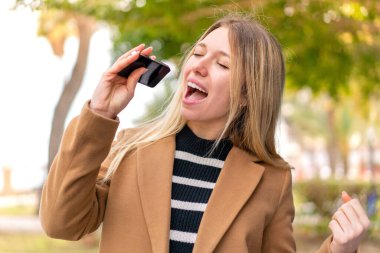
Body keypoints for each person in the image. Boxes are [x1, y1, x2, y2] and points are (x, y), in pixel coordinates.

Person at [40, 14, 370, 252]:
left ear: (247, 94)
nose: (197, 66)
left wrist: (340, 250)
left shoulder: (271, 179)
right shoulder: (130, 149)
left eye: (222, 64)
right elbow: (61, 223)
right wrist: (100, 113)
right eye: (198, 54)